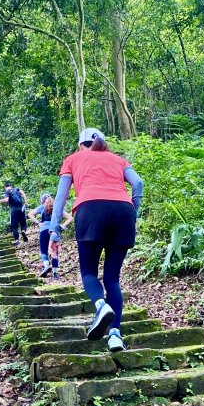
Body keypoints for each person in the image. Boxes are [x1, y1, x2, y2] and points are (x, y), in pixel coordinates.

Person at [49, 127, 143, 352]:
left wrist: (55, 230)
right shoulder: (118, 159)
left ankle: (100, 306)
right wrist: (133, 211)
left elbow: (60, 196)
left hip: (90, 210)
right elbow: (138, 184)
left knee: (89, 272)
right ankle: (115, 335)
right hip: (123, 211)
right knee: (112, 278)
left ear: (81, 145)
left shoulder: (73, 159)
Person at [29, 193, 71, 279]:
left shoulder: (41, 207)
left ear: (42, 201)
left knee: (43, 250)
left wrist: (38, 223)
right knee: (54, 251)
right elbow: (70, 218)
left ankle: (46, 265)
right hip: (54, 231)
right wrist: (63, 225)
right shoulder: (58, 208)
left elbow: (30, 214)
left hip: (44, 230)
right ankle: (55, 273)